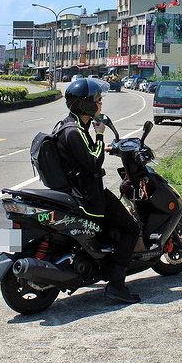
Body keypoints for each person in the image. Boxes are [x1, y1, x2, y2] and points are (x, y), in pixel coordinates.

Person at [57, 78, 142, 303]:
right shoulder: (76, 132)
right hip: (89, 196)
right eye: (98, 100)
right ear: (86, 105)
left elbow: (83, 155)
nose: (100, 104)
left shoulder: (68, 125)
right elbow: (94, 164)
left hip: (76, 190)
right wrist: (101, 134)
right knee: (131, 229)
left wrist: (98, 144)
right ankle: (116, 284)